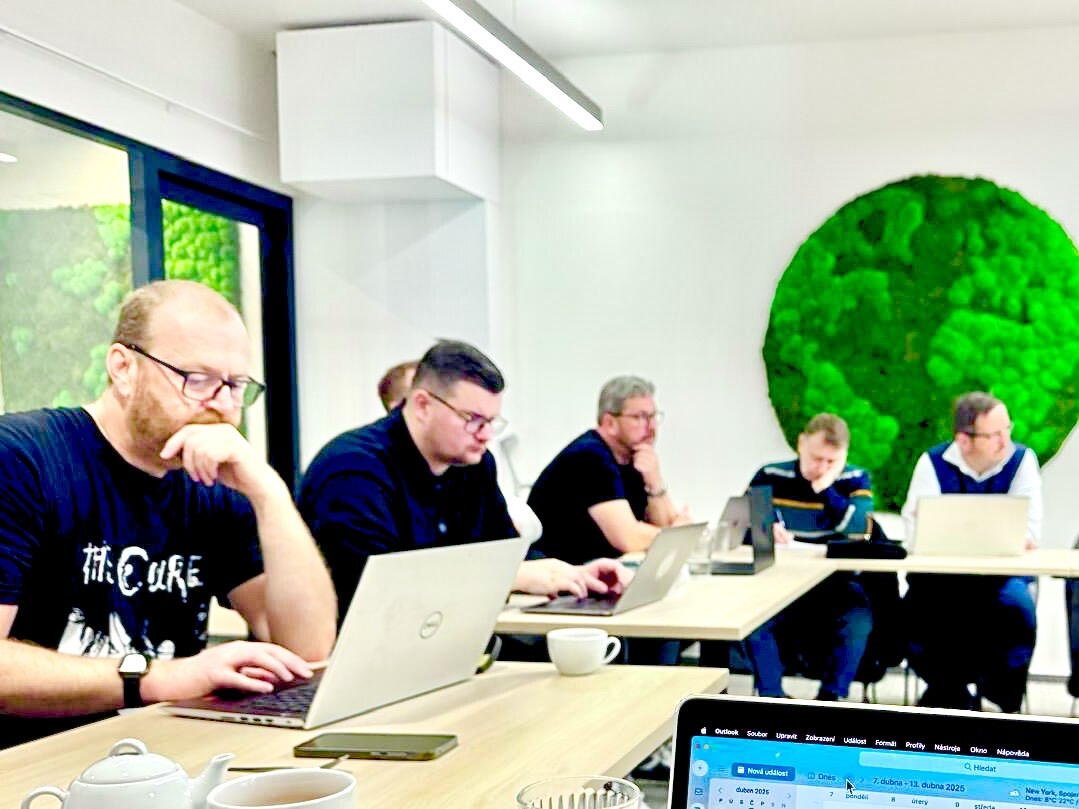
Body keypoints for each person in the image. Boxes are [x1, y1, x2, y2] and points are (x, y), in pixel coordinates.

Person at [0, 280, 336, 746]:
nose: (222, 406)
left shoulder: (215, 483)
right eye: (196, 379)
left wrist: (268, 492)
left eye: (235, 386)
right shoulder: (22, 458)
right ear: (123, 368)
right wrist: (158, 678)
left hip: (164, 751)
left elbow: (308, 650)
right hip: (36, 759)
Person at [298, 340, 628, 623]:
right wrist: (506, 577)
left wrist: (572, 574)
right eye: (473, 419)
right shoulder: (354, 471)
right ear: (422, 405)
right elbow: (375, 591)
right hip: (361, 653)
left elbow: (502, 551)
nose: (485, 435)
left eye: (491, 422)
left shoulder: (473, 465)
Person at [901, 391, 1041, 712]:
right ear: (964, 440)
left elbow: (1030, 533)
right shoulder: (932, 463)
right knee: (918, 612)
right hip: (941, 578)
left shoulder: (1022, 461)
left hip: (1002, 577)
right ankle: (947, 691)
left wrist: (958, 538)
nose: (1005, 441)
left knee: (1017, 610)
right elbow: (916, 533)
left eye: (1007, 430)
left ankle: (1001, 700)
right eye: (994, 435)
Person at [738, 413, 874, 701]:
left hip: (835, 583)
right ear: (801, 444)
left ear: (844, 456)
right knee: (752, 616)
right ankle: (772, 698)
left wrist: (827, 490)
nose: (821, 467)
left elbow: (856, 529)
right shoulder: (770, 475)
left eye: (831, 461)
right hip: (778, 580)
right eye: (816, 458)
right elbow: (739, 528)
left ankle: (830, 698)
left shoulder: (855, 479)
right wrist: (763, 529)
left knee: (858, 619)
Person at [527, 375, 689, 566]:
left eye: (653, 416)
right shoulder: (589, 457)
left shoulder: (634, 456)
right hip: (559, 573)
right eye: (639, 417)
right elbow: (629, 538)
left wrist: (655, 482)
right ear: (610, 422)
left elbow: (660, 525)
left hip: (597, 570)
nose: (651, 427)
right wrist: (677, 535)